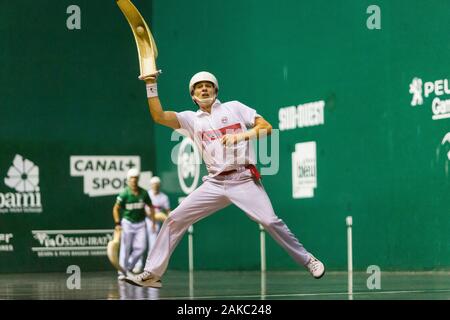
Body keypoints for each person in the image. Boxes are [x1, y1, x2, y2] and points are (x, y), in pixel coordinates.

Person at [125, 71, 325, 288]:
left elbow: (266, 127)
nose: (204, 89)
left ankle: (308, 260)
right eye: (199, 86)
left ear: (216, 90)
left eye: (208, 85)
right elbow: (159, 116)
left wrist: (240, 136)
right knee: (174, 218)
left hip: (243, 179)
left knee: (269, 220)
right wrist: (151, 84)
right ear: (193, 95)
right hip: (214, 184)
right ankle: (152, 273)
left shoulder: (235, 107)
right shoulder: (189, 120)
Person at [113, 168, 155, 280]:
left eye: (136, 178)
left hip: (141, 223)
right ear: (128, 180)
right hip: (127, 223)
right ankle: (122, 271)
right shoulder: (124, 193)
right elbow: (115, 208)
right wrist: (117, 223)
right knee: (125, 248)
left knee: (141, 248)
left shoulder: (144, 193)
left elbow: (151, 207)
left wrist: (153, 221)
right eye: (131, 178)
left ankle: (128, 267)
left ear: (138, 179)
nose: (134, 180)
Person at [132, 176, 171, 273]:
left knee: (153, 246)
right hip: (144, 221)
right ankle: (138, 265)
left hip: (155, 223)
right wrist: (150, 215)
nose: (155, 186)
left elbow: (168, 211)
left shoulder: (164, 197)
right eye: (154, 184)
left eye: (157, 185)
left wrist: (169, 219)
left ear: (159, 185)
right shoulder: (146, 194)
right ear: (151, 185)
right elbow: (142, 208)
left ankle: (150, 267)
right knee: (140, 244)